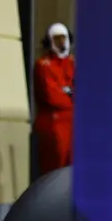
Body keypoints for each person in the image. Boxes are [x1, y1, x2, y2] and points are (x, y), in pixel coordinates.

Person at [33, 22, 75, 175]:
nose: (61, 43)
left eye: (63, 38)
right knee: (54, 171)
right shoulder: (43, 65)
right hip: (53, 125)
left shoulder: (72, 63)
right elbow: (52, 96)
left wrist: (68, 93)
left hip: (73, 124)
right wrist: (70, 95)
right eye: (57, 39)